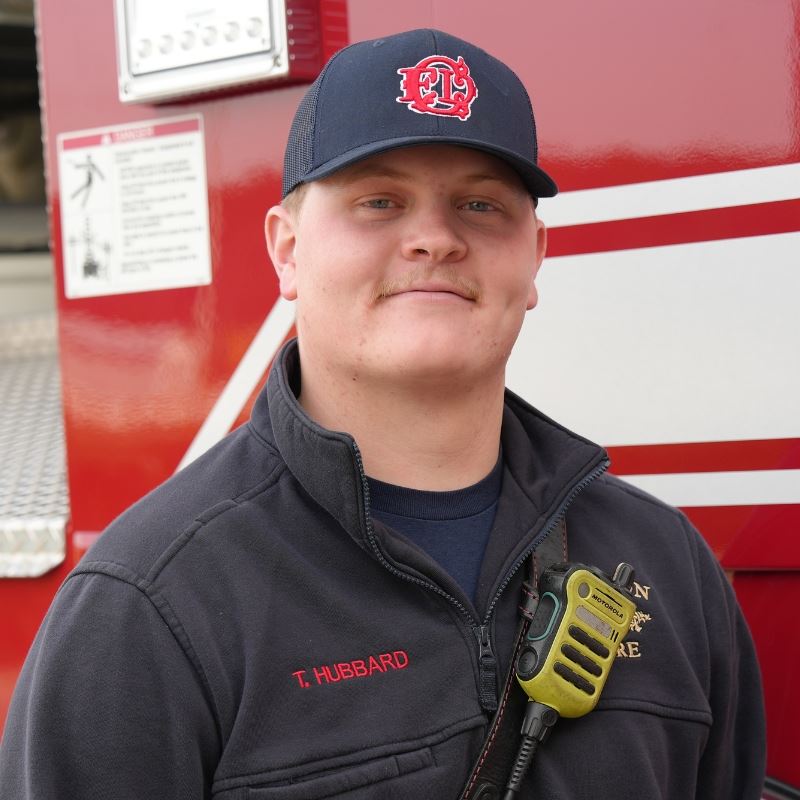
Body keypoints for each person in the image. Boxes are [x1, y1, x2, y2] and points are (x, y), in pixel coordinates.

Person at [0, 28, 765, 799]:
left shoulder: (668, 566)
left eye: (479, 204)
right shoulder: (148, 607)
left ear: (535, 254)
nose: (435, 239)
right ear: (287, 250)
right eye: (379, 202)